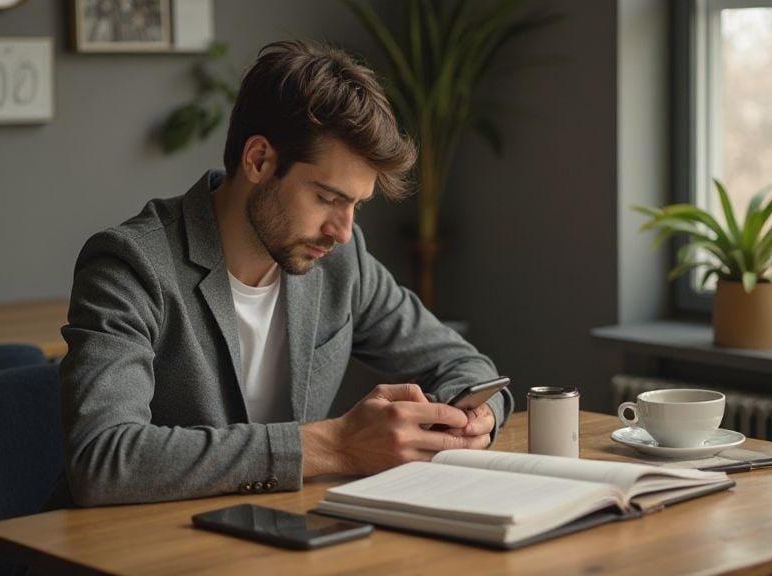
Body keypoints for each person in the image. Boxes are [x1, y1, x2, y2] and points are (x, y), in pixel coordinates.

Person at [58, 40, 513, 507]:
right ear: (259, 160)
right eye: (328, 198)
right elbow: (103, 460)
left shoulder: (341, 259)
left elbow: (464, 366)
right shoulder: (130, 264)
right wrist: (333, 445)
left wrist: (476, 418)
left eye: (356, 204)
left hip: (278, 534)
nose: (343, 230)